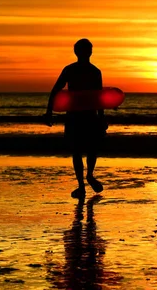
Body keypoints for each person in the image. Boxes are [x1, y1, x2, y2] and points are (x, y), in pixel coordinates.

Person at [45, 39, 107, 199]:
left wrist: (49, 111)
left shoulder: (73, 70)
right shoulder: (93, 71)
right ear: (89, 52)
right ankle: (88, 177)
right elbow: (98, 98)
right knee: (88, 149)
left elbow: (55, 91)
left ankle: (82, 184)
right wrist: (101, 117)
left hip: (76, 116)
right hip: (86, 115)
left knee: (78, 151)